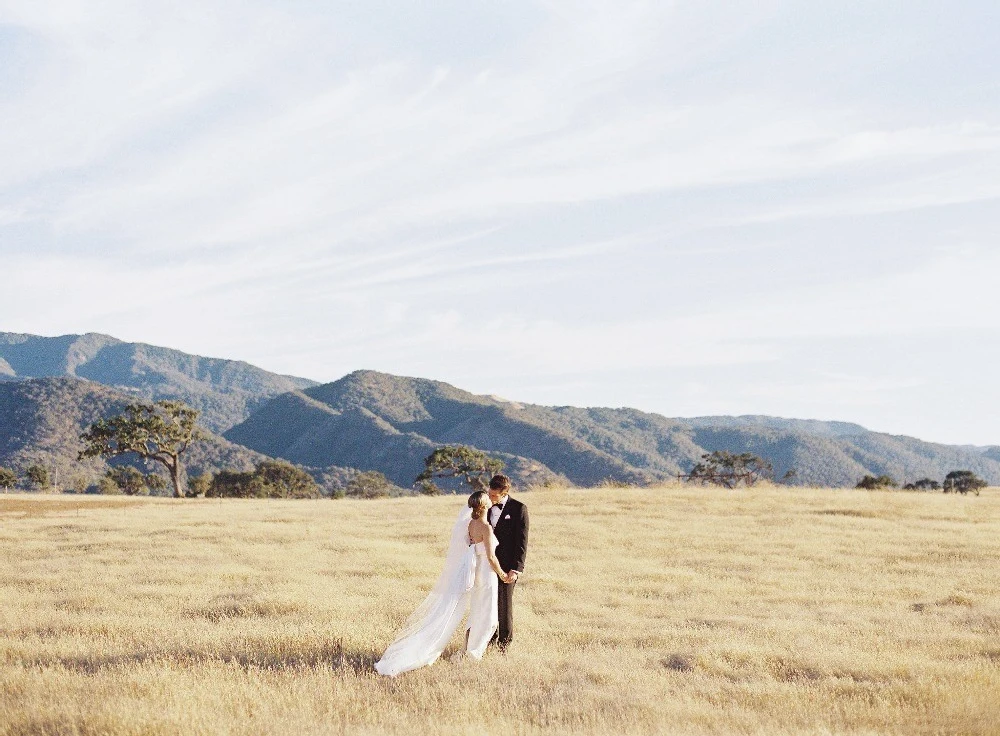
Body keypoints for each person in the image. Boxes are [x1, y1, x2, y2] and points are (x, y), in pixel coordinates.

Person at [374, 491, 512, 677]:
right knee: (487, 616)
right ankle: (473, 654)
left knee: (480, 613)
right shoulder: (485, 527)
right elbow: (491, 557)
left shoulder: (471, 524)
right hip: (485, 573)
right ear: (485, 506)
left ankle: (471, 651)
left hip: (474, 571)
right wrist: (503, 575)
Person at [486, 473, 529, 651]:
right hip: (486, 565)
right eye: (489, 493)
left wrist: (515, 569)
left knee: (504, 606)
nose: (490, 498)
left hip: (507, 566)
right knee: (488, 603)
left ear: (505, 493)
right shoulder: (485, 507)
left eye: (494, 495)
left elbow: (522, 542)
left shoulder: (519, 508)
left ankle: (504, 644)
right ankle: (488, 639)